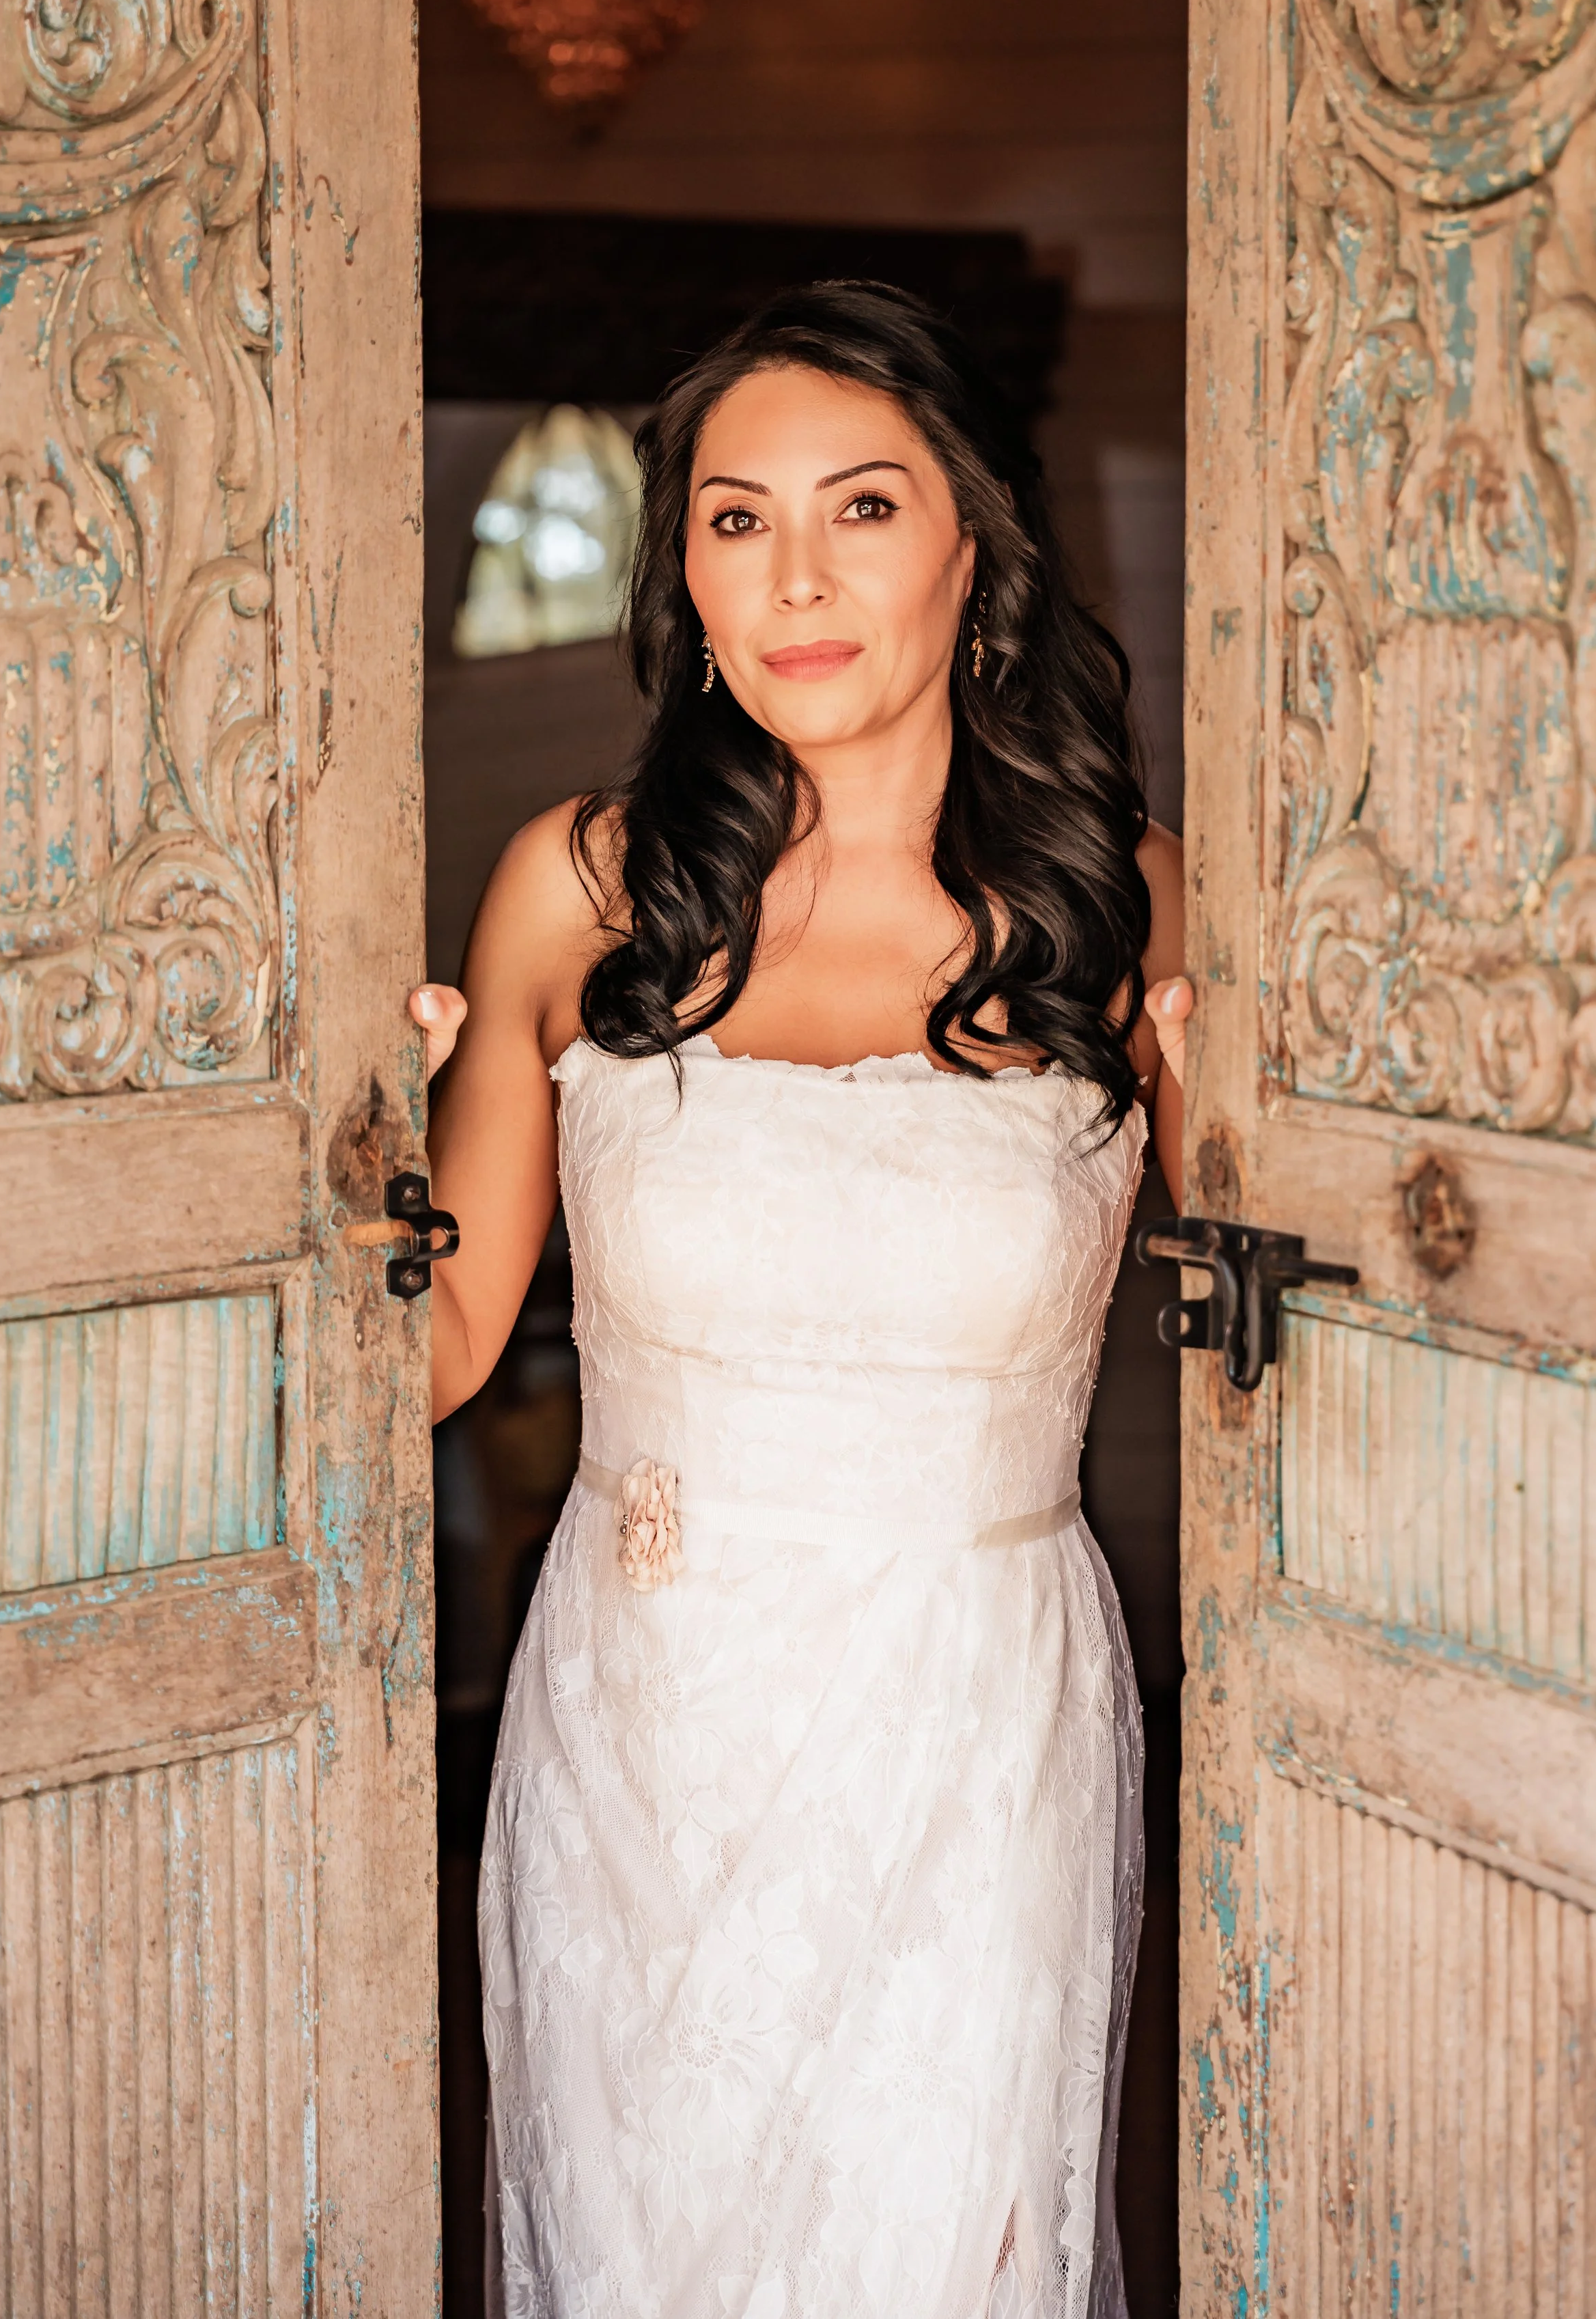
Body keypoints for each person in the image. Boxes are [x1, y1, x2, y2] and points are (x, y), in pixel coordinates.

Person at [410, 281, 1193, 2319]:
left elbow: (1293, 1299)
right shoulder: (575, 887)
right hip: (641, 1729)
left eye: (859, 505)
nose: (794, 576)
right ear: (681, 571)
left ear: (972, 543)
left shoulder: (1129, 903)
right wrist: (305, 1150)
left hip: (975, 1728)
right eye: (734, 520)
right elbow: (432, 1344)